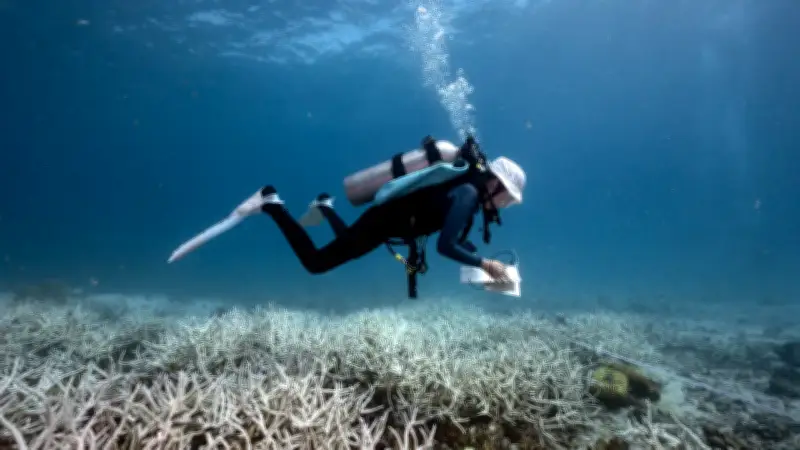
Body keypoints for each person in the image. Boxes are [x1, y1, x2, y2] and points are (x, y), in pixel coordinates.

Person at [234, 136, 527, 287]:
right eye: (507, 198)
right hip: (385, 221)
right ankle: (272, 204)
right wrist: (485, 264)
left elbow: (452, 232)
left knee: (349, 241)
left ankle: (324, 207)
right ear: (495, 183)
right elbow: (445, 246)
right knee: (316, 263)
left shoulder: (469, 195)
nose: (503, 205)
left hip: (388, 221)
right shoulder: (468, 192)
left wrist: (474, 257)